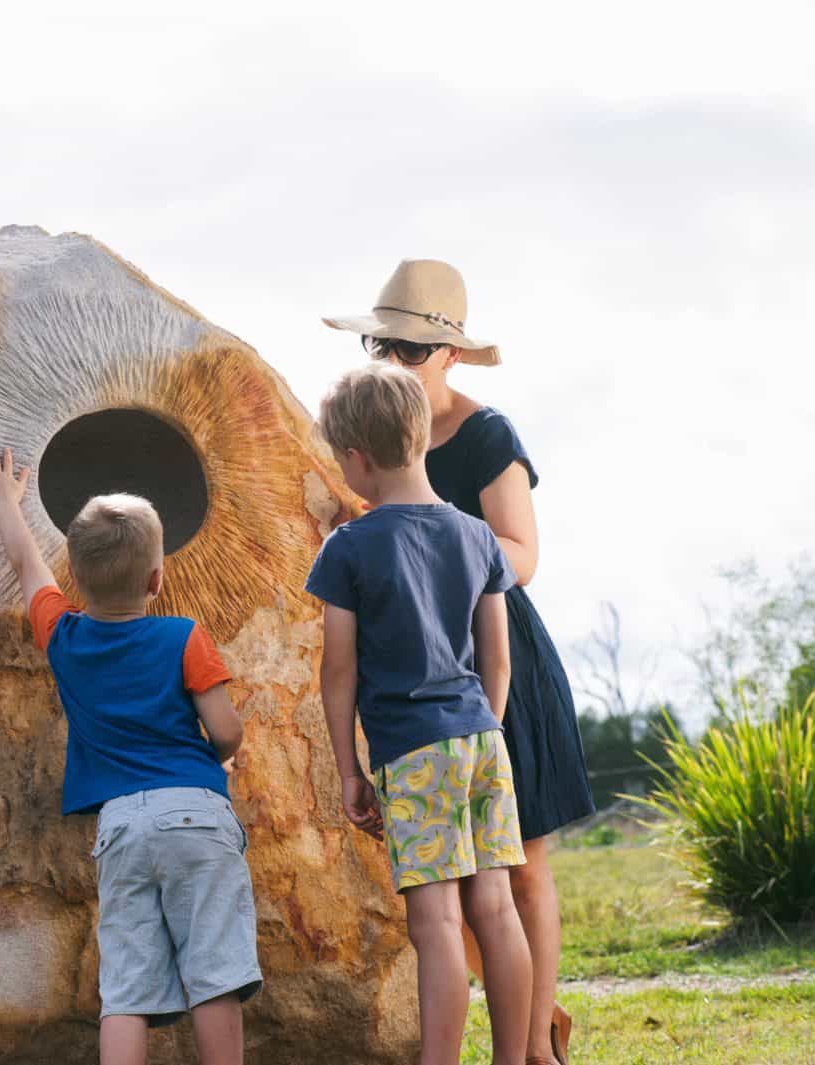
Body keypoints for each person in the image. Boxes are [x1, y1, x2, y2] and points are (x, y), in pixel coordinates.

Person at [325, 260, 593, 1064]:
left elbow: (523, 553)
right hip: (447, 682)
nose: (390, 359)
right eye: (381, 343)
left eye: (406, 346)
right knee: (475, 898)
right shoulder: (379, 439)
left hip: (489, 660)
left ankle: (537, 1041)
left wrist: (425, 566)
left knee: (520, 874)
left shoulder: (485, 435)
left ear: (447, 354)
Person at [0, 446, 262, 1065]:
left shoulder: (64, 636)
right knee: (214, 974)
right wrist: (219, 755)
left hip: (122, 827)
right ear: (157, 579)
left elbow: (27, 567)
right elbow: (226, 729)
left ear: (74, 579)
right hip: (198, 816)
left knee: (126, 988)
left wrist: (4, 503)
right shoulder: (183, 636)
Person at [306, 364, 534, 1065]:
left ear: (355, 459)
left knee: (435, 919)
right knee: (495, 908)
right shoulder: (476, 537)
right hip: (482, 741)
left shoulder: (348, 547)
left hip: (412, 751)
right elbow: (496, 659)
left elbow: (338, 670)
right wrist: (484, 728)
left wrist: (349, 769)